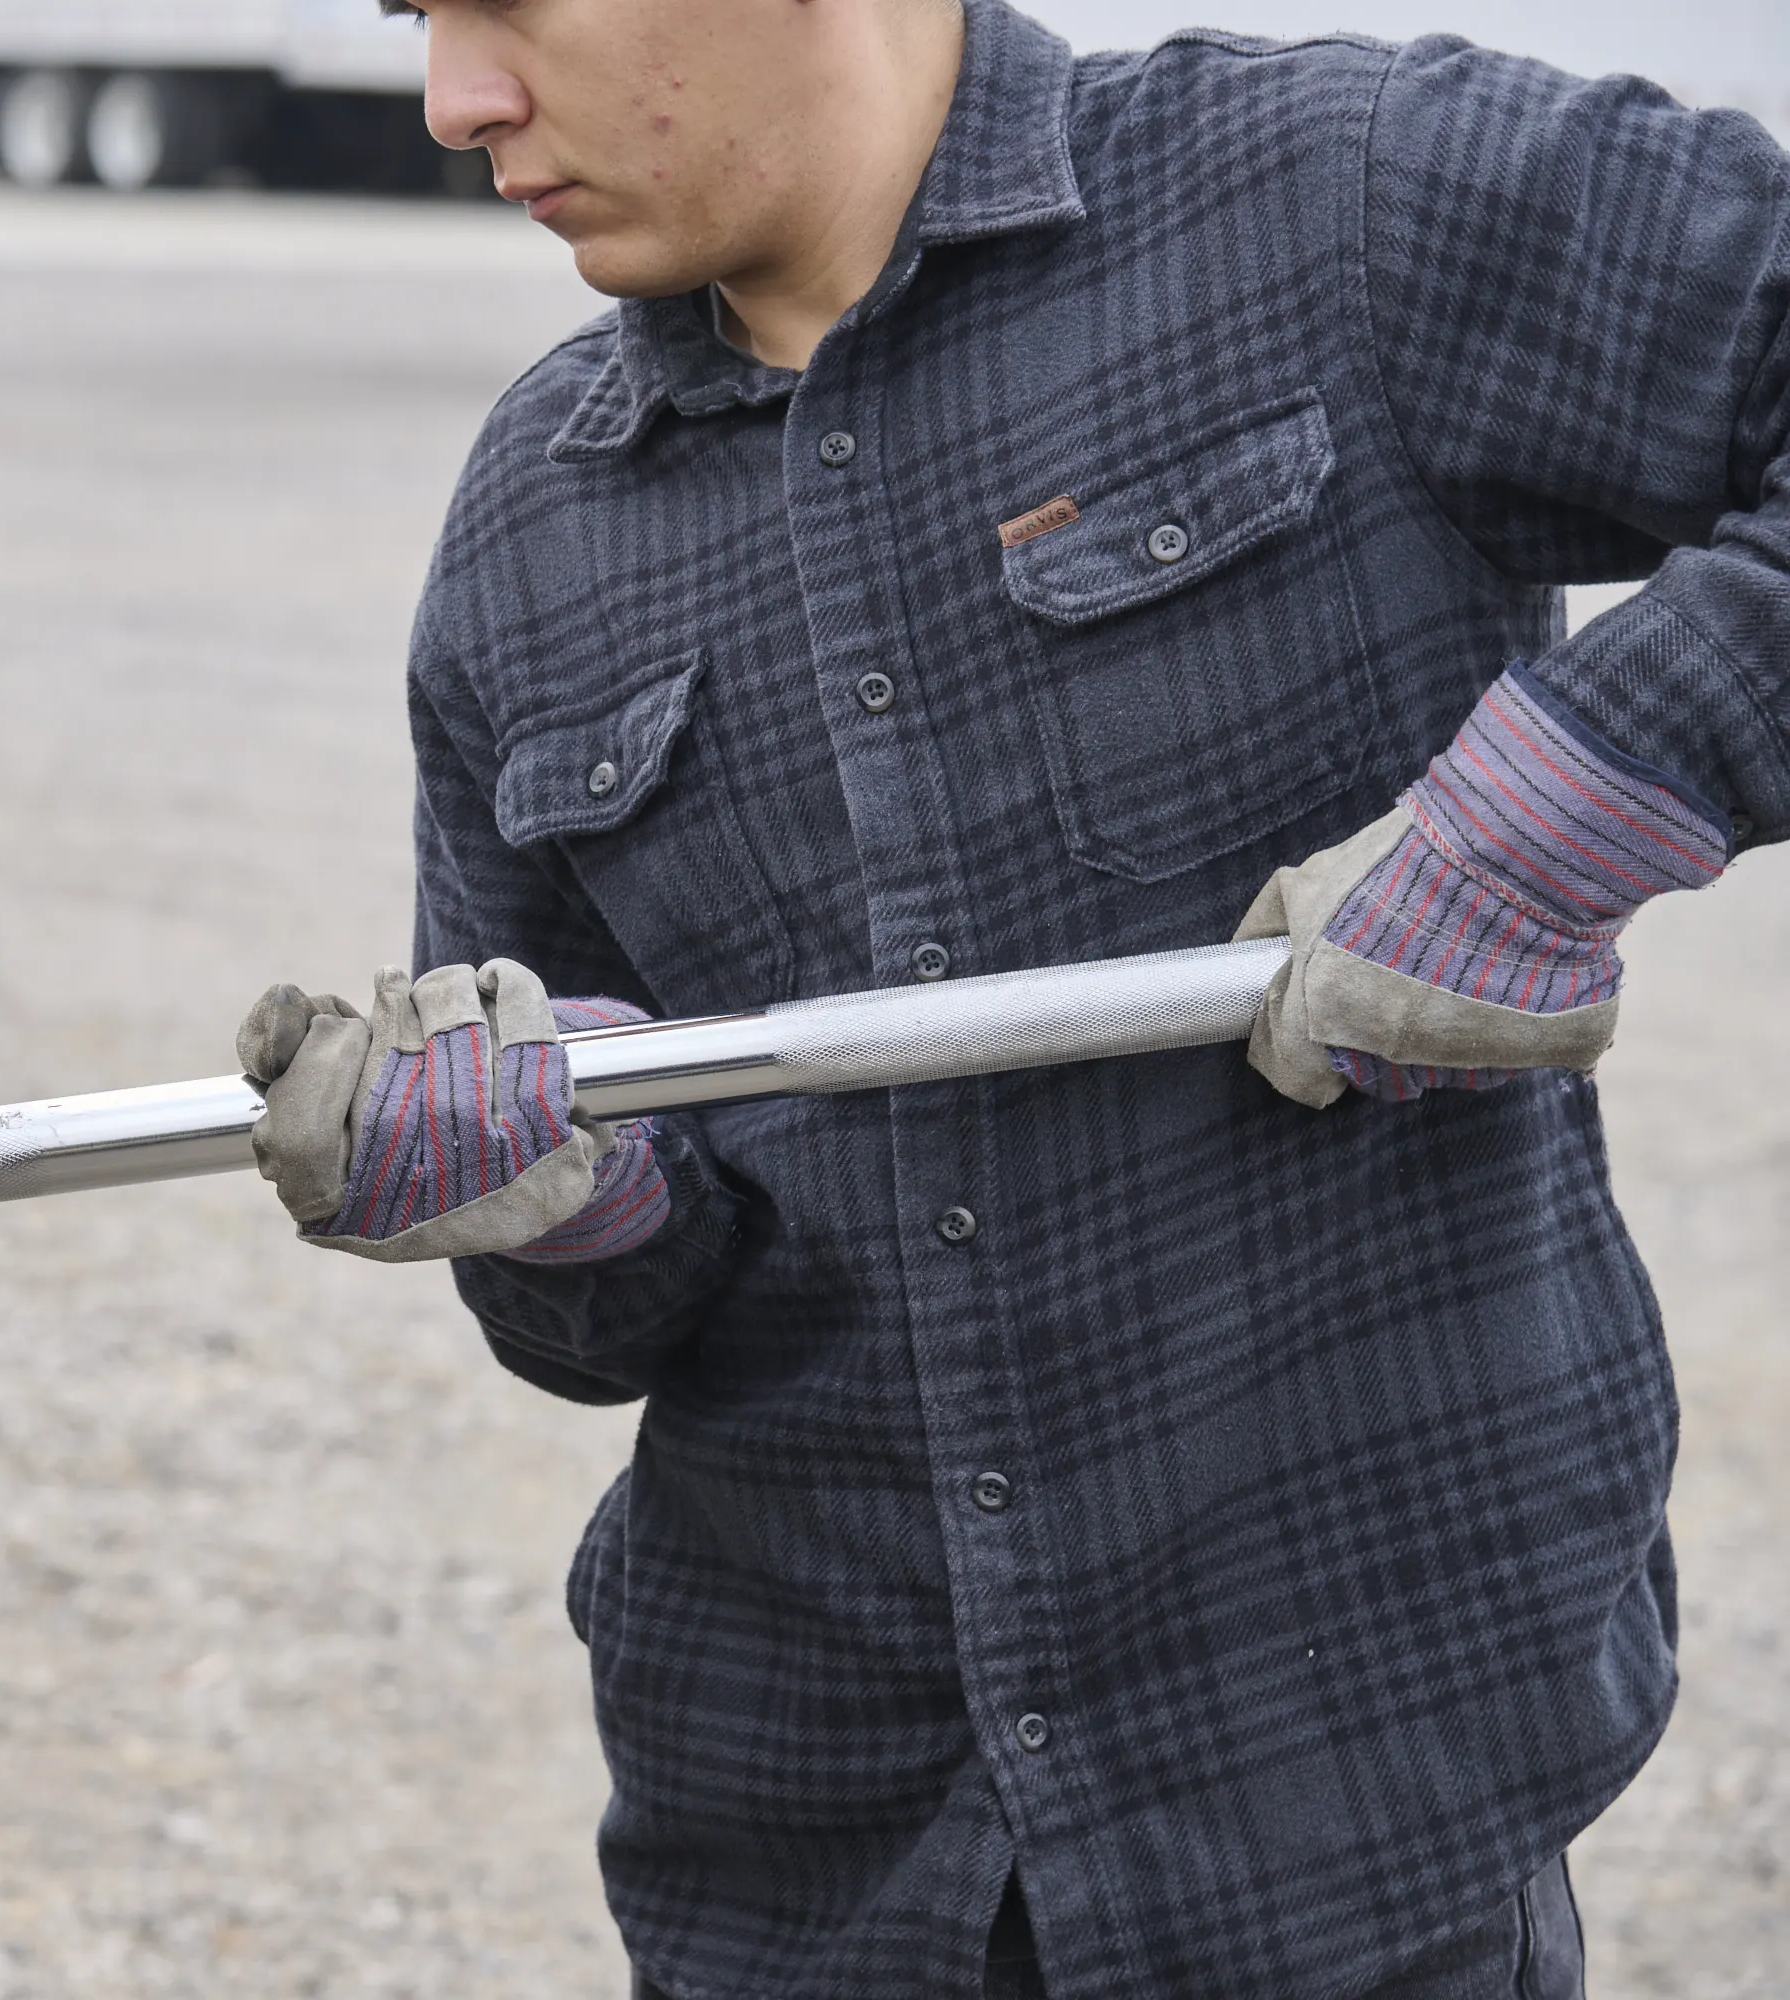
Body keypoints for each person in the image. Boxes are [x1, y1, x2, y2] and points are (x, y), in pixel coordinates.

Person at [232, 1, 1786, 1994]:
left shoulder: (1344, 198)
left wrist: (1586, 800)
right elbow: (617, 1327)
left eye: (505, 0)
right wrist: (558, 1200)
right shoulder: (538, 533)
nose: (454, 96)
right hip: (812, 1867)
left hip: (1337, 1821)